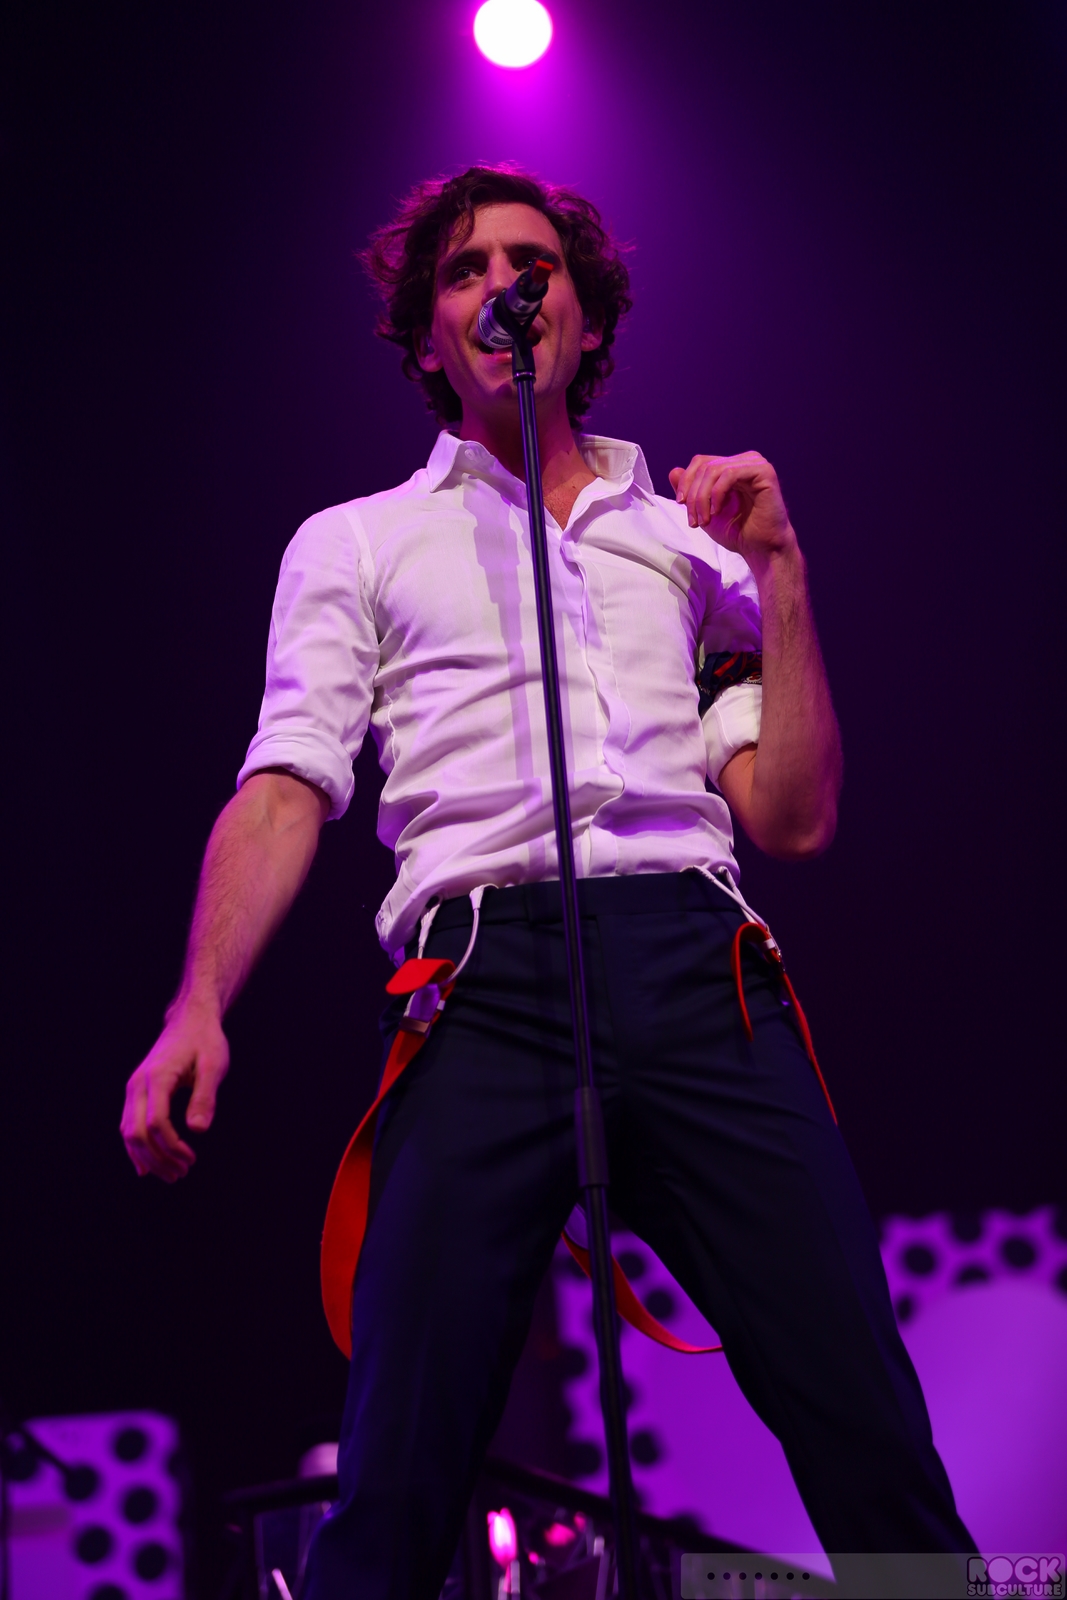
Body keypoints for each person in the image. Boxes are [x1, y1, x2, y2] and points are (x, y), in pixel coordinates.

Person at [121, 166, 972, 1596]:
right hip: (481, 985)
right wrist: (197, 1002)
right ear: (427, 334)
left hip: (700, 973)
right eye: (464, 271)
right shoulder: (357, 540)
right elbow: (285, 785)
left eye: (532, 263)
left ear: (584, 314)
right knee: (398, 1465)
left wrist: (780, 572)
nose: (501, 287)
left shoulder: (688, 539)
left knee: (865, 1420)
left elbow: (792, 813)